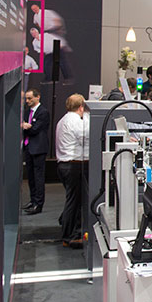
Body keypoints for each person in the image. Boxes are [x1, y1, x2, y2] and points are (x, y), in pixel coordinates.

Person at [54, 94, 88, 248]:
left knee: (74, 199)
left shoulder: (63, 120)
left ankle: (67, 223)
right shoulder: (75, 121)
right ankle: (69, 236)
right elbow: (85, 137)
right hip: (73, 165)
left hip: (64, 164)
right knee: (73, 201)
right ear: (81, 107)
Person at [21, 88, 51, 215]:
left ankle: (38, 203)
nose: (27, 101)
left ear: (37, 97)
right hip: (29, 147)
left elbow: (35, 129)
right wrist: (26, 126)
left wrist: (27, 127)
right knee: (31, 176)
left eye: (30, 98)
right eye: (26, 99)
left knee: (38, 177)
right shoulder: (27, 112)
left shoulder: (43, 112)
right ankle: (32, 200)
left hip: (38, 148)